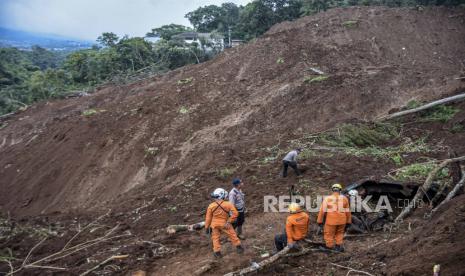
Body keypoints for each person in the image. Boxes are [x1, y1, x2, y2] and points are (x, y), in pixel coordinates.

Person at [205, 188, 244, 258]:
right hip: (225, 224)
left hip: (214, 225)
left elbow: (208, 218)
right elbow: (235, 213)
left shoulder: (210, 206)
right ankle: (239, 248)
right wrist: (229, 221)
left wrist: (207, 227)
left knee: (215, 238)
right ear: (222, 196)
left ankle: (217, 253)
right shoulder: (228, 204)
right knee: (232, 235)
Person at [317, 183, 352, 252]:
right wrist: (349, 221)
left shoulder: (327, 199)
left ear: (332, 190)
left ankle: (329, 247)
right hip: (342, 221)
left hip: (331, 221)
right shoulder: (344, 199)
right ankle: (338, 246)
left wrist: (319, 221)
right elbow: (348, 211)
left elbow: (322, 211)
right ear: (340, 190)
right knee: (340, 233)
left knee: (329, 234)